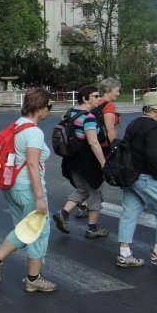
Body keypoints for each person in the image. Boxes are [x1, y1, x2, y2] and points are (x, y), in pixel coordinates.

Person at [0, 88, 57, 293]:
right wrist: (40, 197)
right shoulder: (33, 132)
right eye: (49, 106)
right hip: (28, 189)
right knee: (38, 232)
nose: (50, 110)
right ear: (40, 108)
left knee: (23, 230)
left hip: (13, 186)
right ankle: (31, 278)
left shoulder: (16, 126)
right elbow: (33, 165)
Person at [116, 91, 157, 269]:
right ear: (153, 109)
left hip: (130, 176)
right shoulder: (154, 127)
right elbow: (152, 155)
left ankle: (124, 254)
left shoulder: (134, 123)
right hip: (147, 176)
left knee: (129, 214)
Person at [52, 85, 108, 238]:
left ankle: (63, 214)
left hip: (71, 158)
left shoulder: (71, 111)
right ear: (84, 98)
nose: (99, 99)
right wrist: (103, 162)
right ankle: (92, 228)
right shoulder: (88, 117)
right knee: (95, 191)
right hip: (87, 161)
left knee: (82, 189)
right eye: (95, 96)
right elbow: (93, 142)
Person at [75, 77, 122, 219]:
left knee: (92, 174)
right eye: (116, 91)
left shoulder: (94, 102)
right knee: (101, 174)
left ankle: (85, 203)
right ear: (108, 91)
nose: (118, 94)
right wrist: (115, 147)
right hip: (103, 145)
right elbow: (110, 128)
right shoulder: (109, 106)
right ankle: (88, 205)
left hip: (89, 143)